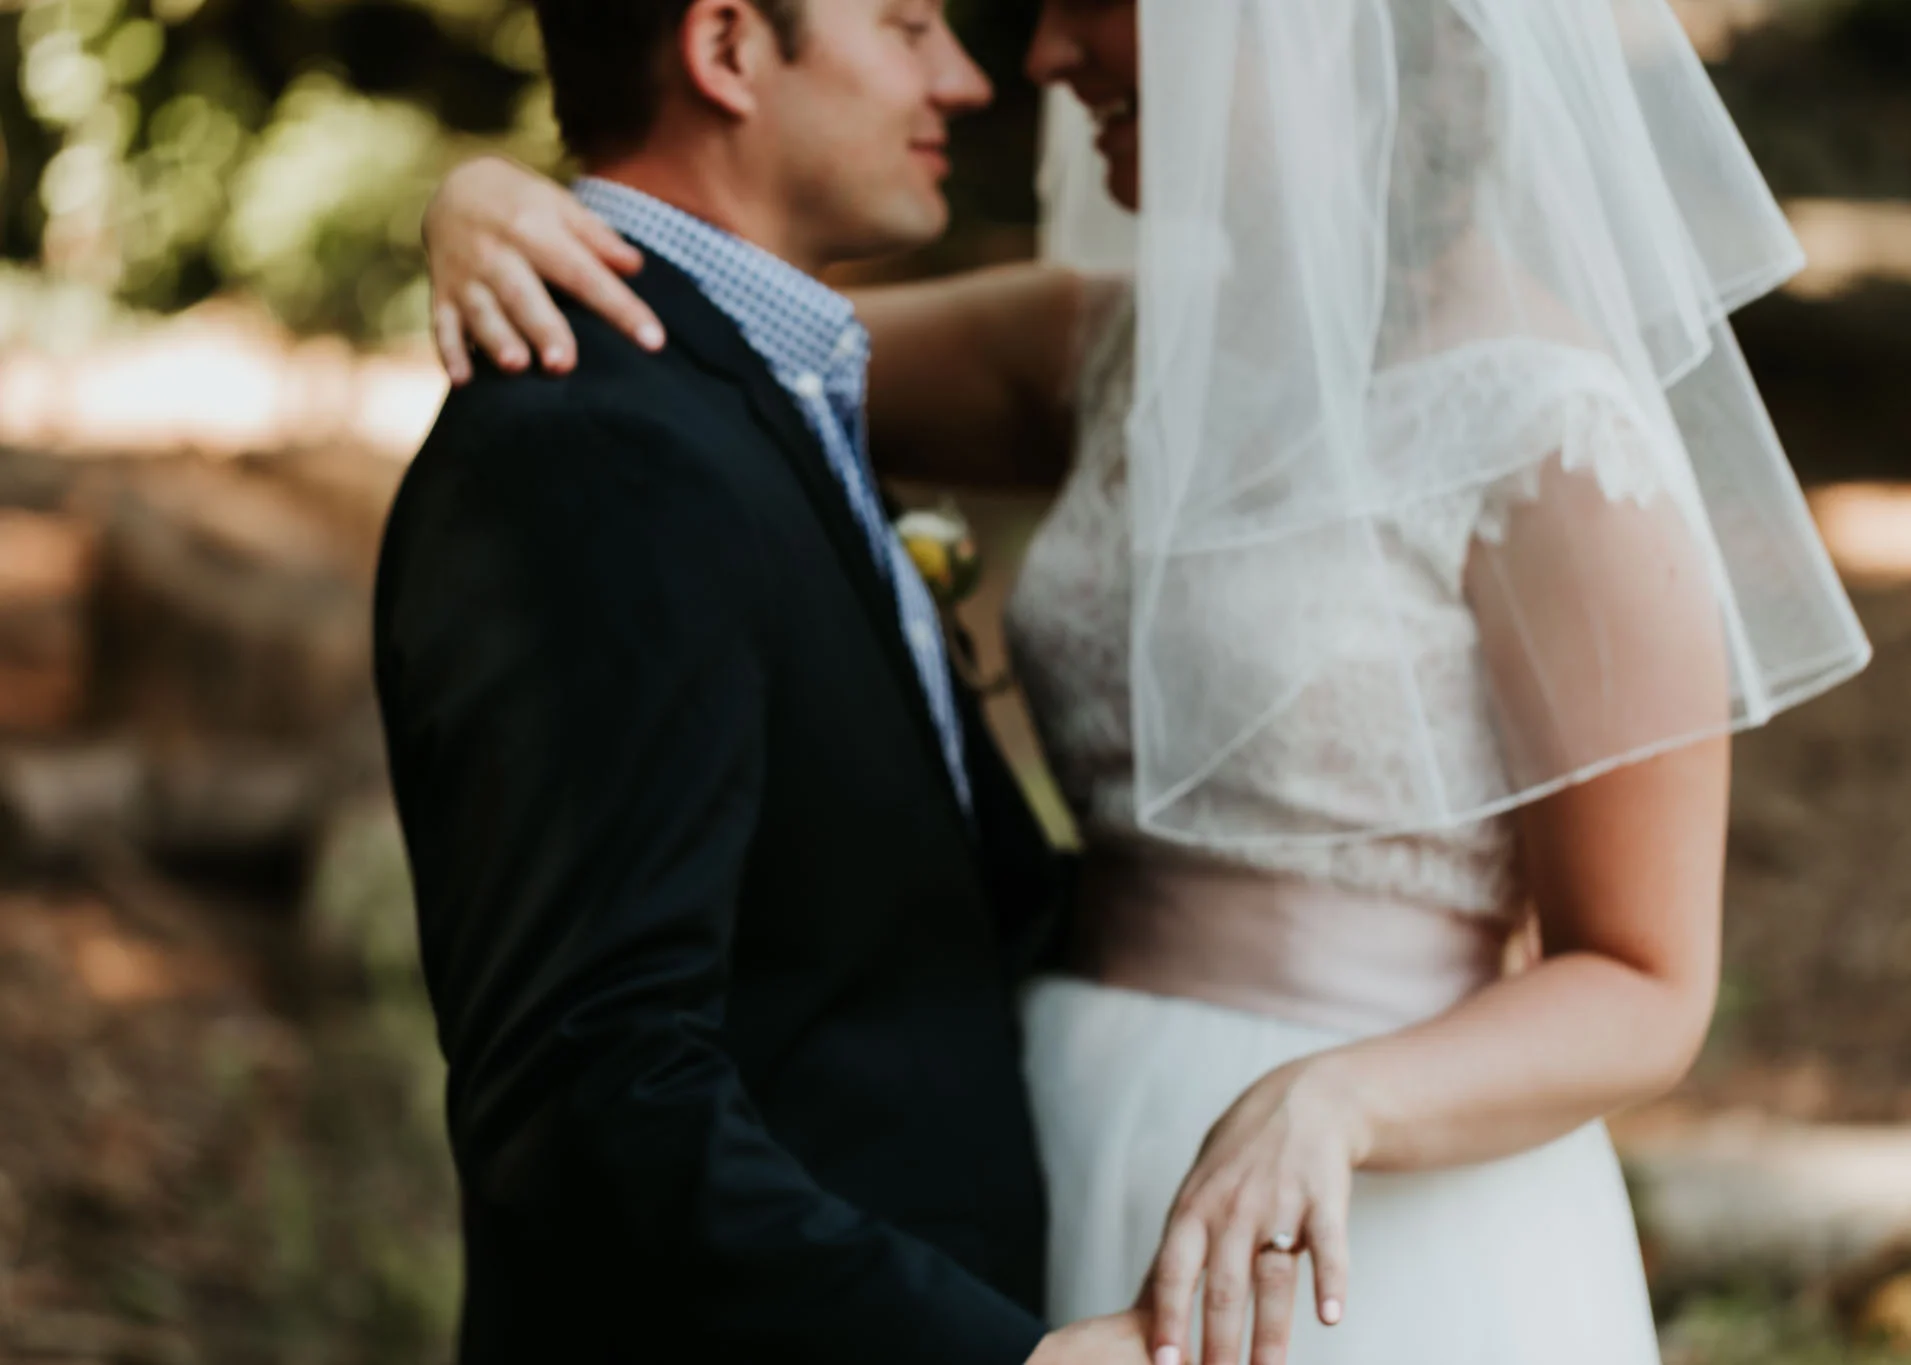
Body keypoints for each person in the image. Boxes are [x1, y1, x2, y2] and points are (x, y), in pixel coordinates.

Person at [419, 1, 1874, 1362]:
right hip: (1040, 1149)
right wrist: (489, 201)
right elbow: (707, 360)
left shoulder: (1551, 434)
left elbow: (1641, 981)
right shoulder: (1107, 347)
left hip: (1346, 1208)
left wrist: (1345, 1098)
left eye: (1092, 0)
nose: (1040, 57)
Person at [374, 1, 1159, 1361]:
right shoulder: (591, 450)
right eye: (909, 22)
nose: (967, 79)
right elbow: (589, 1092)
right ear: (727, 47)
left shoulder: (764, 387)